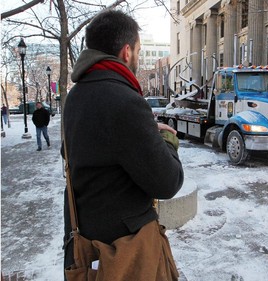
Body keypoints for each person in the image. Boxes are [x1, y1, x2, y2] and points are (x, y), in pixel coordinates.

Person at [61, 9, 184, 277]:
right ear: (126, 52)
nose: (137, 58)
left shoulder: (75, 97)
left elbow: (92, 150)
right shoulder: (124, 100)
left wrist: (143, 132)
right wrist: (166, 139)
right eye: (138, 51)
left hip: (86, 248)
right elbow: (168, 182)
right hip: (125, 256)